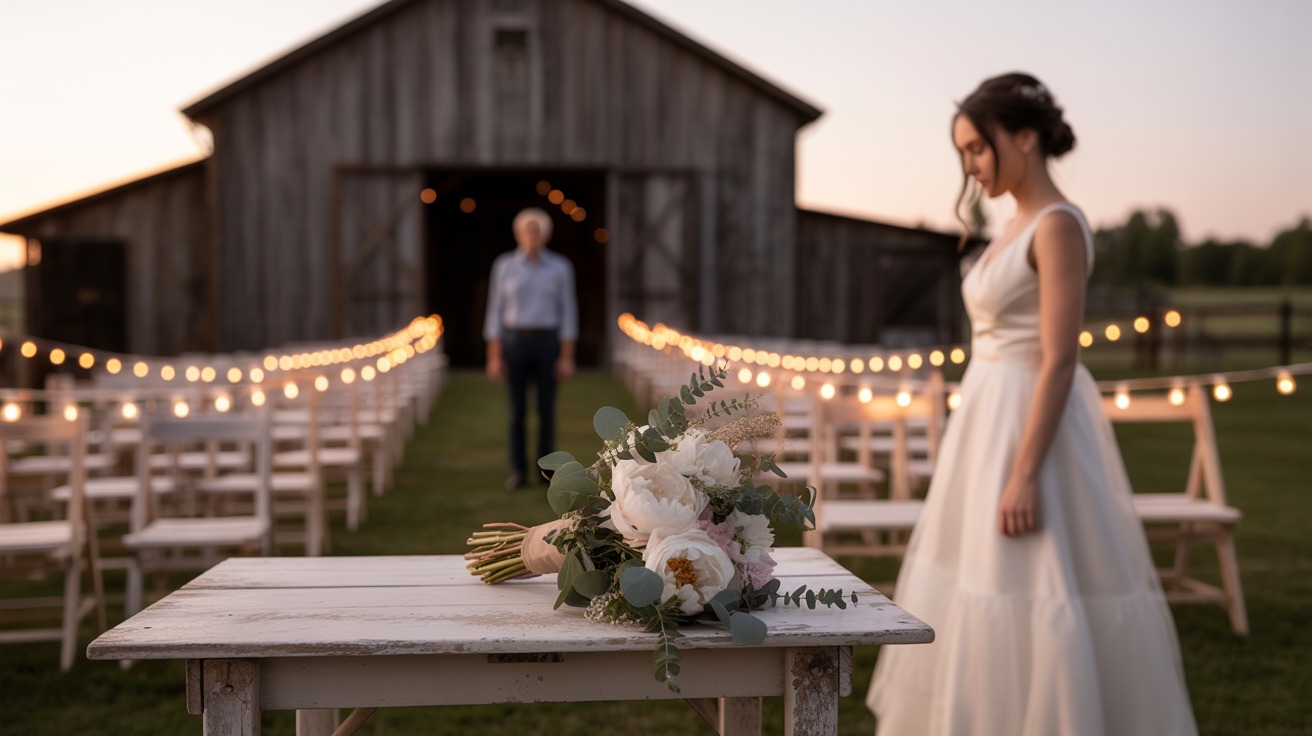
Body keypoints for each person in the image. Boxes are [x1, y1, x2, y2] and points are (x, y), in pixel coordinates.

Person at [866, 73, 1197, 735]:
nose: (971, 166)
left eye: (979, 148)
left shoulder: (1058, 226)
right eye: (962, 153)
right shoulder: (1010, 227)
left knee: (1030, 577)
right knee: (971, 577)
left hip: (1031, 425)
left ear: (1025, 136)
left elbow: (1059, 358)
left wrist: (1024, 472)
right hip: (984, 418)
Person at [484, 207, 578, 490]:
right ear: (519, 234)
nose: (532, 236)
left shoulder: (560, 267)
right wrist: (494, 355)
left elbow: (568, 312)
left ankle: (546, 472)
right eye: (528, 231)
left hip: (547, 341)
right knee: (517, 411)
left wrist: (566, 356)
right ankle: (518, 470)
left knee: (546, 410)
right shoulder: (504, 266)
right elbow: (494, 312)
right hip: (514, 341)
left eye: (537, 231)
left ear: (545, 234)